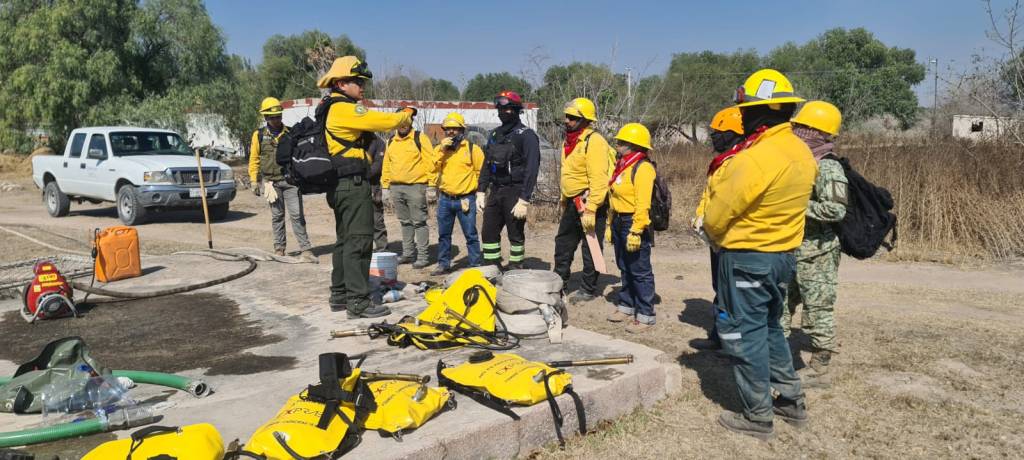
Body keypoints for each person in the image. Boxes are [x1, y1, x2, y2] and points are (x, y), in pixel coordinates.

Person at [703, 69, 817, 439]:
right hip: (782, 255)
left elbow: (719, 212)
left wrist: (713, 234)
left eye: (745, 109)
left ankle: (757, 415)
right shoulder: (800, 150)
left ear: (760, 112)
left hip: (747, 256)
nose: (741, 115)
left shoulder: (758, 156)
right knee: (769, 328)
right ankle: (790, 400)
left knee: (743, 333)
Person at [317, 56, 414, 318]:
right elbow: (380, 121)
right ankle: (358, 302)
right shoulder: (343, 108)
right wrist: (405, 115)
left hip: (341, 185)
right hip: (352, 185)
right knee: (359, 243)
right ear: (340, 83)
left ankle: (339, 294)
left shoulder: (330, 107)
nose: (362, 86)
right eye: (357, 81)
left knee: (344, 242)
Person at [782, 100, 847, 389]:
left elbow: (835, 210)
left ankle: (820, 368)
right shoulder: (802, 161)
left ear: (818, 132)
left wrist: (797, 205)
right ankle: (779, 360)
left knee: (818, 309)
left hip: (818, 254)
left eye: (802, 128)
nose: (796, 131)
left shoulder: (829, 167)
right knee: (781, 307)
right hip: (793, 249)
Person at [690, 106, 756, 351]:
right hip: (717, 235)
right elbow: (711, 194)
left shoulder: (741, 161)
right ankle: (721, 337)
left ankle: (734, 343)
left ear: (735, 133)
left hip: (735, 238)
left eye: (720, 131)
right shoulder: (721, 161)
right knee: (721, 286)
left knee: (734, 290)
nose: (714, 136)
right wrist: (701, 217)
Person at [553, 98, 612, 304]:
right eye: (567, 116)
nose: (567, 120)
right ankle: (558, 284)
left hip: (589, 203)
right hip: (572, 202)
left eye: (573, 118)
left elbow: (599, 178)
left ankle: (588, 288)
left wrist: (592, 209)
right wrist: (563, 200)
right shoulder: (569, 141)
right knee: (563, 244)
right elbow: (568, 174)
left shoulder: (594, 141)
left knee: (591, 248)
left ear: (585, 120)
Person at [477, 90, 541, 270]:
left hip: (516, 191)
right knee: (488, 232)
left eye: (506, 109)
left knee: (515, 234)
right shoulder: (495, 135)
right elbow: (486, 163)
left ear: (515, 110)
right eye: (499, 109)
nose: (502, 112)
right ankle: (492, 267)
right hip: (496, 190)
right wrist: (481, 190)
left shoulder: (526, 135)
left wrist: (524, 199)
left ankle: (515, 267)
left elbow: (532, 169)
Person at [248, 97, 316, 262]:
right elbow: (254, 159)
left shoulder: (291, 133)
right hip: (271, 183)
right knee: (277, 216)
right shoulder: (258, 136)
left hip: (291, 182)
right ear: (265, 118)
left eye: (278, 116)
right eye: (272, 117)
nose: (276, 120)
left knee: (297, 215)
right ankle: (279, 249)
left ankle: (305, 249)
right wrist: (254, 180)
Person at [604, 123, 657, 333]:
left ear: (633, 145)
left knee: (640, 270)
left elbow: (643, 204)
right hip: (618, 220)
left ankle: (645, 315)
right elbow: (613, 196)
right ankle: (626, 305)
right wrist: (609, 224)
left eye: (621, 141)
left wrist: (636, 230)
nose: (617, 144)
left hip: (633, 222)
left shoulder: (642, 168)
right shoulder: (623, 165)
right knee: (624, 266)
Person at [381, 108, 437, 268]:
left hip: (416, 187)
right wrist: (385, 187)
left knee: (419, 222)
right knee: (405, 222)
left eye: (408, 120)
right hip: (396, 187)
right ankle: (407, 254)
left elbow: (430, 163)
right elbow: (386, 164)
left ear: (411, 121)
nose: (404, 124)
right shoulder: (391, 141)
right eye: (401, 120)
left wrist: (431, 186)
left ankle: (423, 257)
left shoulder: (420, 138)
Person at [431, 112, 484, 275]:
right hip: (445, 199)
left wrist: (475, 191)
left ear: (462, 130)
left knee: (471, 234)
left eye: (455, 129)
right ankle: (443, 264)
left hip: (465, 199)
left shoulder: (472, 149)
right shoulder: (440, 150)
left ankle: (475, 264)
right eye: (448, 129)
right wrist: (441, 149)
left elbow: (480, 172)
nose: (451, 132)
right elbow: (432, 168)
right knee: (444, 235)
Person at [366, 134, 389, 252]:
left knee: (376, 219)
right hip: (358, 184)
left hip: (374, 185)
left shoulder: (379, 142)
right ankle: (364, 247)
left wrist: (361, 173)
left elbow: (379, 165)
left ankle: (381, 247)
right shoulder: (354, 139)